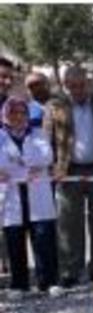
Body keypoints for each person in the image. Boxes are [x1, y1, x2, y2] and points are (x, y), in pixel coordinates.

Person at [44, 66, 93, 288]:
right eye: (71, 86)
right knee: (68, 222)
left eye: (81, 84)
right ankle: (70, 270)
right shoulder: (54, 106)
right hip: (69, 171)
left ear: (88, 82)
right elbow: (47, 139)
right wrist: (52, 167)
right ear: (65, 86)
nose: (77, 90)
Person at [0, 96, 60, 296]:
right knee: (15, 240)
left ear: (27, 115)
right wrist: (26, 165)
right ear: (5, 115)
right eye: (13, 113)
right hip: (12, 196)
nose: (18, 117)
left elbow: (46, 157)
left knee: (43, 238)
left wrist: (16, 164)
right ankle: (19, 284)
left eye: (22, 113)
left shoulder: (38, 133)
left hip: (37, 193)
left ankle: (49, 281)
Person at [0, 56, 16, 277]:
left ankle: (5, 266)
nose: (5, 80)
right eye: (1, 76)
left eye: (8, 77)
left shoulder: (11, 105)